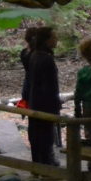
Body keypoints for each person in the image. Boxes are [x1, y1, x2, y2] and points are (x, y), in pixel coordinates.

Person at [25, 26, 61, 165]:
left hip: (35, 101)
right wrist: (55, 105)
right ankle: (46, 166)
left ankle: (37, 164)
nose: (56, 39)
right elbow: (50, 87)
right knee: (45, 136)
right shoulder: (46, 59)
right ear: (46, 40)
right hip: (45, 104)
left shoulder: (34, 55)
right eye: (53, 37)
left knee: (36, 135)